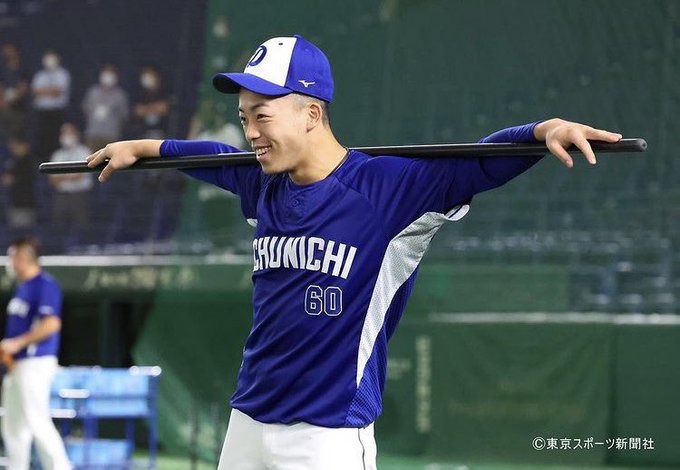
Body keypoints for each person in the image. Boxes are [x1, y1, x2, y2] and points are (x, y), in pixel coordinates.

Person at [86, 35, 622, 470]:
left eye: (261, 116)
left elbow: (480, 162)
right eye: (244, 117)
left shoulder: (389, 191)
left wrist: (543, 130)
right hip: (246, 422)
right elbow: (210, 156)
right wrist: (144, 148)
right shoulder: (261, 182)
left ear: (311, 114)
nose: (250, 132)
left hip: (327, 437)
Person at [0, 237, 72, 470]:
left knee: (38, 422)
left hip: (35, 363)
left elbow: (51, 324)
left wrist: (17, 343)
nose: (10, 263)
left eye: (12, 257)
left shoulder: (44, 284)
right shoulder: (23, 288)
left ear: (23, 258)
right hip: (16, 366)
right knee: (13, 427)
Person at [48, 123, 94, 247]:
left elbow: (80, 176)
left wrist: (61, 176)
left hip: (80, 195)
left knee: (82, 225)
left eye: (69, 133)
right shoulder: (57, 155)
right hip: (61, 195)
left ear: (76, 134)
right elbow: (53, 180)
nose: (66, 136)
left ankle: (82, 248)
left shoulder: (85, 151)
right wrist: (70, 176)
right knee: (57, 225)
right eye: (64, 133)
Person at [31, 49, 70, 162]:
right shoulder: (40, 75)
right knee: (42, 140)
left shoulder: (63, 74)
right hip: (42, 113)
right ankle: (43, 162)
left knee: (55, 139)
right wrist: (50, 91)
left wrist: (43, 91)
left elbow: (57, 92)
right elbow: (35, 91)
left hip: (56, 113)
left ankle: (56, 162)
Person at [81, 64, 129, 151]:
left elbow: (124, 116)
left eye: (111, 73)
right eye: (106, 73)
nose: (108, 76)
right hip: (93, 134)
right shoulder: (93, 92)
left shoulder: (119, 95)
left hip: (111, 135)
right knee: (92, 157)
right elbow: (86, 110)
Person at [1, 133, 36, 232]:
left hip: (26, 204)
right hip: (15, 203)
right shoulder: (13, 161)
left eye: (15, 145)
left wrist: (11, 179)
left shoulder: (28, 161)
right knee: (15, 234)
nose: (13, 148)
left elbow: (14, 179)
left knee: (25, 233)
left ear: (23, 145)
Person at [0, 43, 30, 137]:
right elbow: (1, 86)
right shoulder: (2, 69)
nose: (7, 52)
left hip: (18, 108)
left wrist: (12, 99)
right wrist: (2, 101)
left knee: (17, 133)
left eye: (9, 49)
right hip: (4, 107)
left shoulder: (23, 68)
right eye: (5, 50)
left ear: (15, 50)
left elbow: (23, 87)